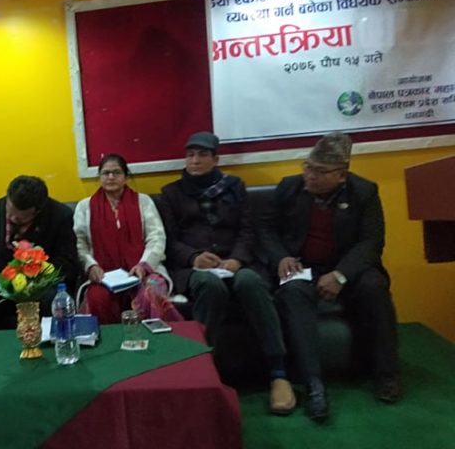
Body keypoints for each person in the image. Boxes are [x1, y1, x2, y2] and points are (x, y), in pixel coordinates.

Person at [259, 131, 401, 423]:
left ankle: (386, 373)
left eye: (320, 171)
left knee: (374, 287)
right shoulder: (290, 188)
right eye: (308, 167)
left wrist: (341, 275)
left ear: (341, 175)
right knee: (292, 293)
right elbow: (267, 230)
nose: (310, 176)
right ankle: (313, 383)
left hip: (345, 268)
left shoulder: (364, 192)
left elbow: (371, 242)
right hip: (302, 267)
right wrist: (281, 257)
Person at [157, 131, 295, 415]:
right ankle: (202, 371)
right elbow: (169, 239)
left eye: (202, 155)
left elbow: (248, 229)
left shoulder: (234, 187)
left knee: (250, 282)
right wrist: (194, 258)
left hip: (235, 263)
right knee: (210, 286)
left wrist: (237, 259)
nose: (195, 161)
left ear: (215, 159)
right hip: (194, 268)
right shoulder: (171, 193)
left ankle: (278, 372)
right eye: (190, 155)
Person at [0, 175, 80, 330]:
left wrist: (37, 272)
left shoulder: (60, 216)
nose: (12, 218)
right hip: (1, 283)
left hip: (40, 285)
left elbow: (67, 262)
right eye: (10, 212)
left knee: (52, 300)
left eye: (20, 218)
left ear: (38, 211)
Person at [73, 153, 178, 324]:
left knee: (150, 293)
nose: (111, 177)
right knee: (97, 298)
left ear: (126, 176)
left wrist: (143, 265)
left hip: (144, 271)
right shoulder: (85, 206)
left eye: (116, 172)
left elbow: (157, 237)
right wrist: (90, 266)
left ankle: (154, 339)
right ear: (99, 177)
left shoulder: (143, 202)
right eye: (106, 173)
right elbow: (79, 242)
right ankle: (108, 341)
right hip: (102, 274)